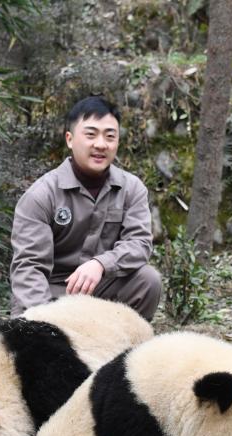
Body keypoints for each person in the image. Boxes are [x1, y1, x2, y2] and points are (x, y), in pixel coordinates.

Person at [10, 96, 162, 320]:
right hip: (53, 293)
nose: (101, 144)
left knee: (148, 281)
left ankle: (122, 342)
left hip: (102, 288)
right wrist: (42, 322)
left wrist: (101, 264)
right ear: (70, 139)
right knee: (38, 328)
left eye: (110, 136)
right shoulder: (41, 195)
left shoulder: (131, 188)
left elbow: (139, 243)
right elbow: (29, 267)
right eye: (91, 135)